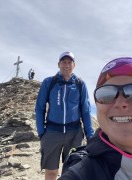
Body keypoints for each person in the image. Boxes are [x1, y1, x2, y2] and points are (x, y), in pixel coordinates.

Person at [35, 51, 94, 180]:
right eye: (63, 62)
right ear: (58, 64)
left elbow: (85, 110)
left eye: (69, 62)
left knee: (73, 171)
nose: (66, 65)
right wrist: (41, 131)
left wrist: (90, 135)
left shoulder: (80, 84)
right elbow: (40, 108)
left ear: (74, 65)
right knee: (51, 172)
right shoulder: (49, 82)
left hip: (74, 133)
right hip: (52, 132)